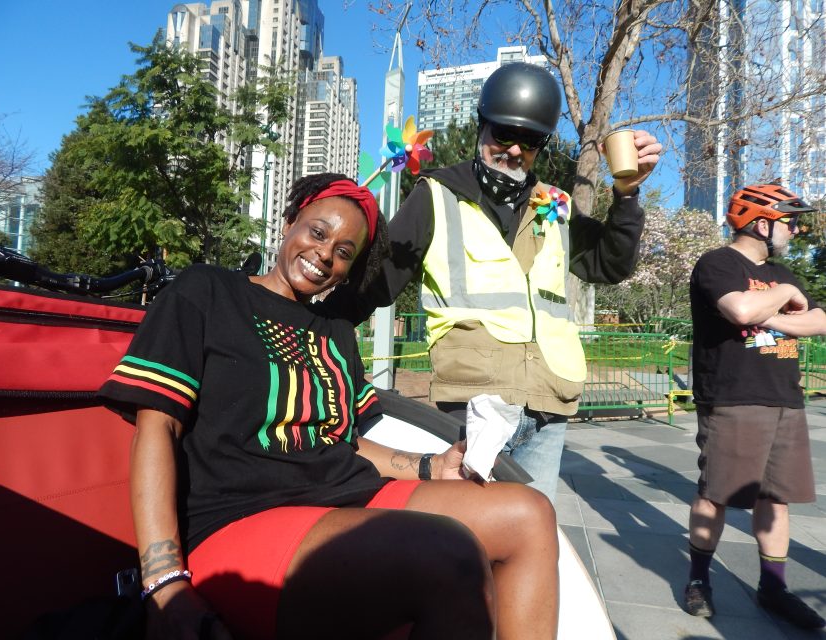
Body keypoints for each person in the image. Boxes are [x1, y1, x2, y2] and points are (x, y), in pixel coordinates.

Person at [98, 173, 560, 640]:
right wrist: (163, 583)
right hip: (242, 515)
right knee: (450, 553)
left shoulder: (334, 329)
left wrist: (430, 465)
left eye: (344, 252)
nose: (325, 254)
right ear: (290, 222)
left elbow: (344, 442)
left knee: (529, 514)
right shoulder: (208, 291)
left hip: (346, 494)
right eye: (318, 233)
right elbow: (158, 428)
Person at [320, 62, 662, 502]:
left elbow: (608, 265)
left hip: (547, 402)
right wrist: (306, 328)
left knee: (534, 532)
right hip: (474, 403)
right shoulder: (436, 196)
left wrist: (628, 194)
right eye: (504, 133)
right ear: (482, 126)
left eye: (531, 140)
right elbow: (376, 284)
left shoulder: (553, 203)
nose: (515, 149)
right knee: (471, 538)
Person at [684, 183, 826, 629]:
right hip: (732, 396)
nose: (795, 228)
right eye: (789, 220)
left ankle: (774, 587)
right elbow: (741, 311)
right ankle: (699, 580)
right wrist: (783, 299)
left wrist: (773, 311)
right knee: (717, 493)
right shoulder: (717, 263)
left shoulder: (784, 271)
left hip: (785, 397)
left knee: (776, 499)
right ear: (762, 222)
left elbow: (819, 320)